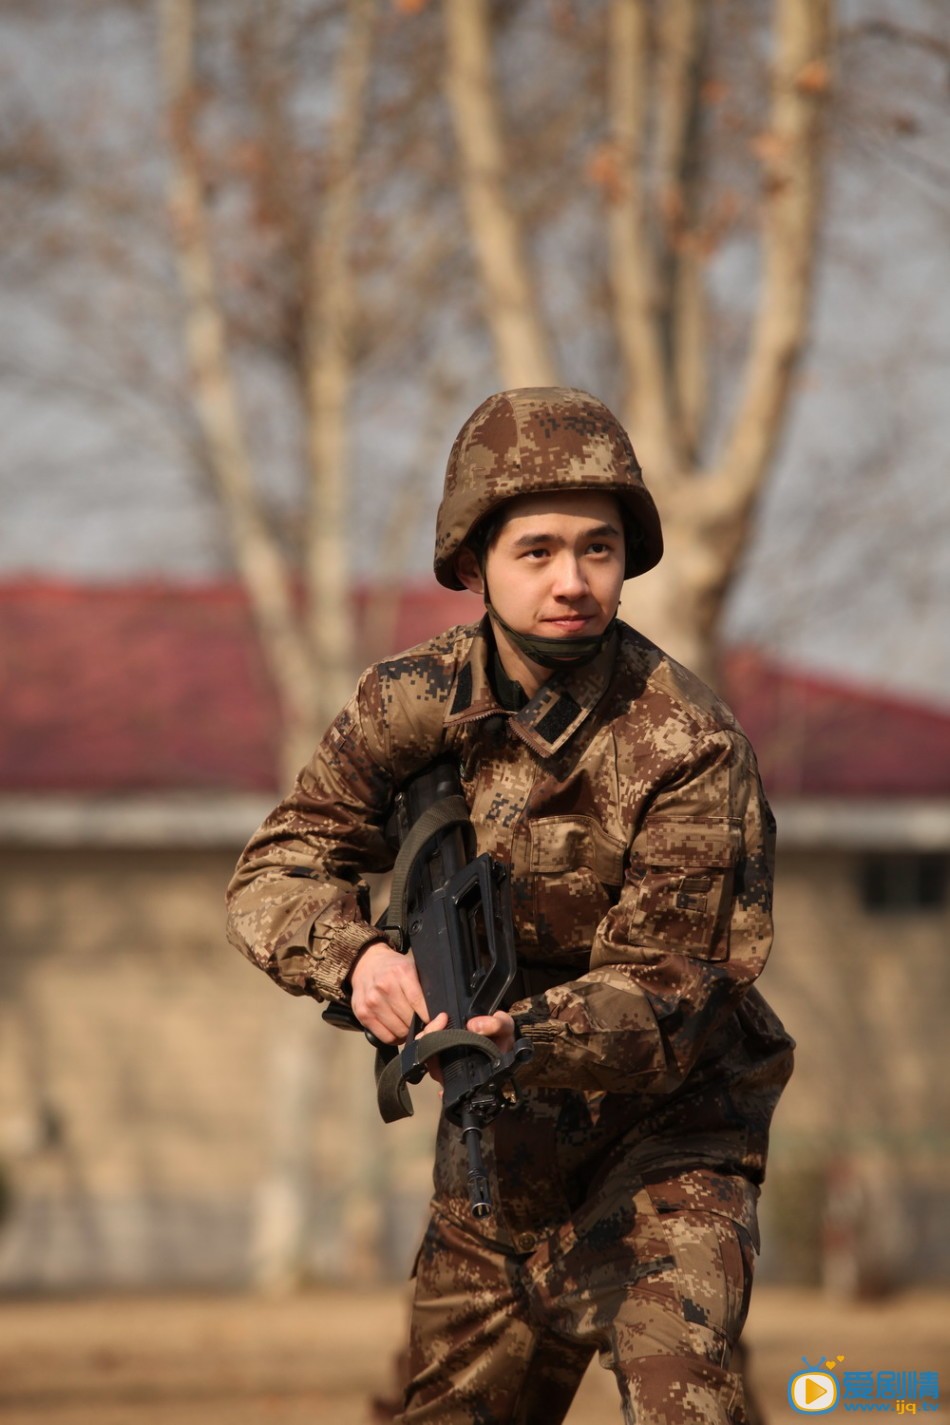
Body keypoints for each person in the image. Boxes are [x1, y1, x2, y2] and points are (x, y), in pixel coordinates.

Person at [226, 387, 794, 1425]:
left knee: (684, 1409)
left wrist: (509, 1032)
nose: (571, 581)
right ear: (471, 563)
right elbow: (276, 868)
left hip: (666, 1148)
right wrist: (355, 960)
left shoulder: (687, 744)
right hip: (497, 1161)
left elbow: (675, 989)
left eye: (597, 549)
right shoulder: (408, 703)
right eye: (535, 551)